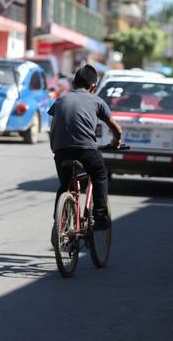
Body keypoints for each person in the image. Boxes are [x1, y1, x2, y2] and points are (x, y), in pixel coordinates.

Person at [47, 65, 122, 238]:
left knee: (65, 184)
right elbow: (117, 129)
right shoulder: (97, 101)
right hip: (86, 150)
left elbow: (53, 127)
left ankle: (59, 223)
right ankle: (101, 217)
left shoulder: (60, 100)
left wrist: (56, 148)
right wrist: (116, 142)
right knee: (100, 175)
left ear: (74, 83)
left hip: (61, 151)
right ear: (93, 86)